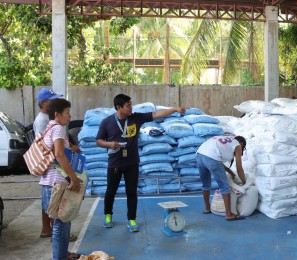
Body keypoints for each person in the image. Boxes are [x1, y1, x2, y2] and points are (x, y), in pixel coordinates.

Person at [96, 94, 185, 232]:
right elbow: (98, 141)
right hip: (115, 163)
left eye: (131, 104)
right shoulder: (107, 122)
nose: (131, 107)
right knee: (110, 191)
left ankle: (131, 219)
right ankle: (108, 215)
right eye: (128, 105)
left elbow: (156, 114)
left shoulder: (136, 118)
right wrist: (110, 144)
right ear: (119, 107)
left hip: (132, 163)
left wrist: (174, 109)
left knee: (131, 192)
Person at [42, 98, 82, 260]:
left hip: (48, 182)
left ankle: (63, 254)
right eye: (67, 113)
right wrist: (74, 178)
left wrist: (71, 148)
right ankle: (60, 257)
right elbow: (59, 154)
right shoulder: (58, 129)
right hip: (57, 183)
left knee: (62, 221)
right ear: (57, 114)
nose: (70, 116)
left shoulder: (49, 128)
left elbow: (59, 151)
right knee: (61, 223)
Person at [33, 88, 62, 239]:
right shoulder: (42, 121)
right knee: (53, 201)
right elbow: (40, 144)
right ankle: (57, 232)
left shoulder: (46, 118)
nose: (56, 102)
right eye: (53, 100)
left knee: (48, 200)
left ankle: (47, 229)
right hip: (49, 165)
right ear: (44, 103)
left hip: (49, 164)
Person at [196, 135, 247, 221]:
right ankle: (229, 214)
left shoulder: (227, 139)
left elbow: (217, 161)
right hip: (211, 157)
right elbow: (239, 168)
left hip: (199, 155)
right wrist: (244, 183)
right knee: (225, 186)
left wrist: (230, 172)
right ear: (241, 143)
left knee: (205, 184)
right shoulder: (237, 145)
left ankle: (207, 208)